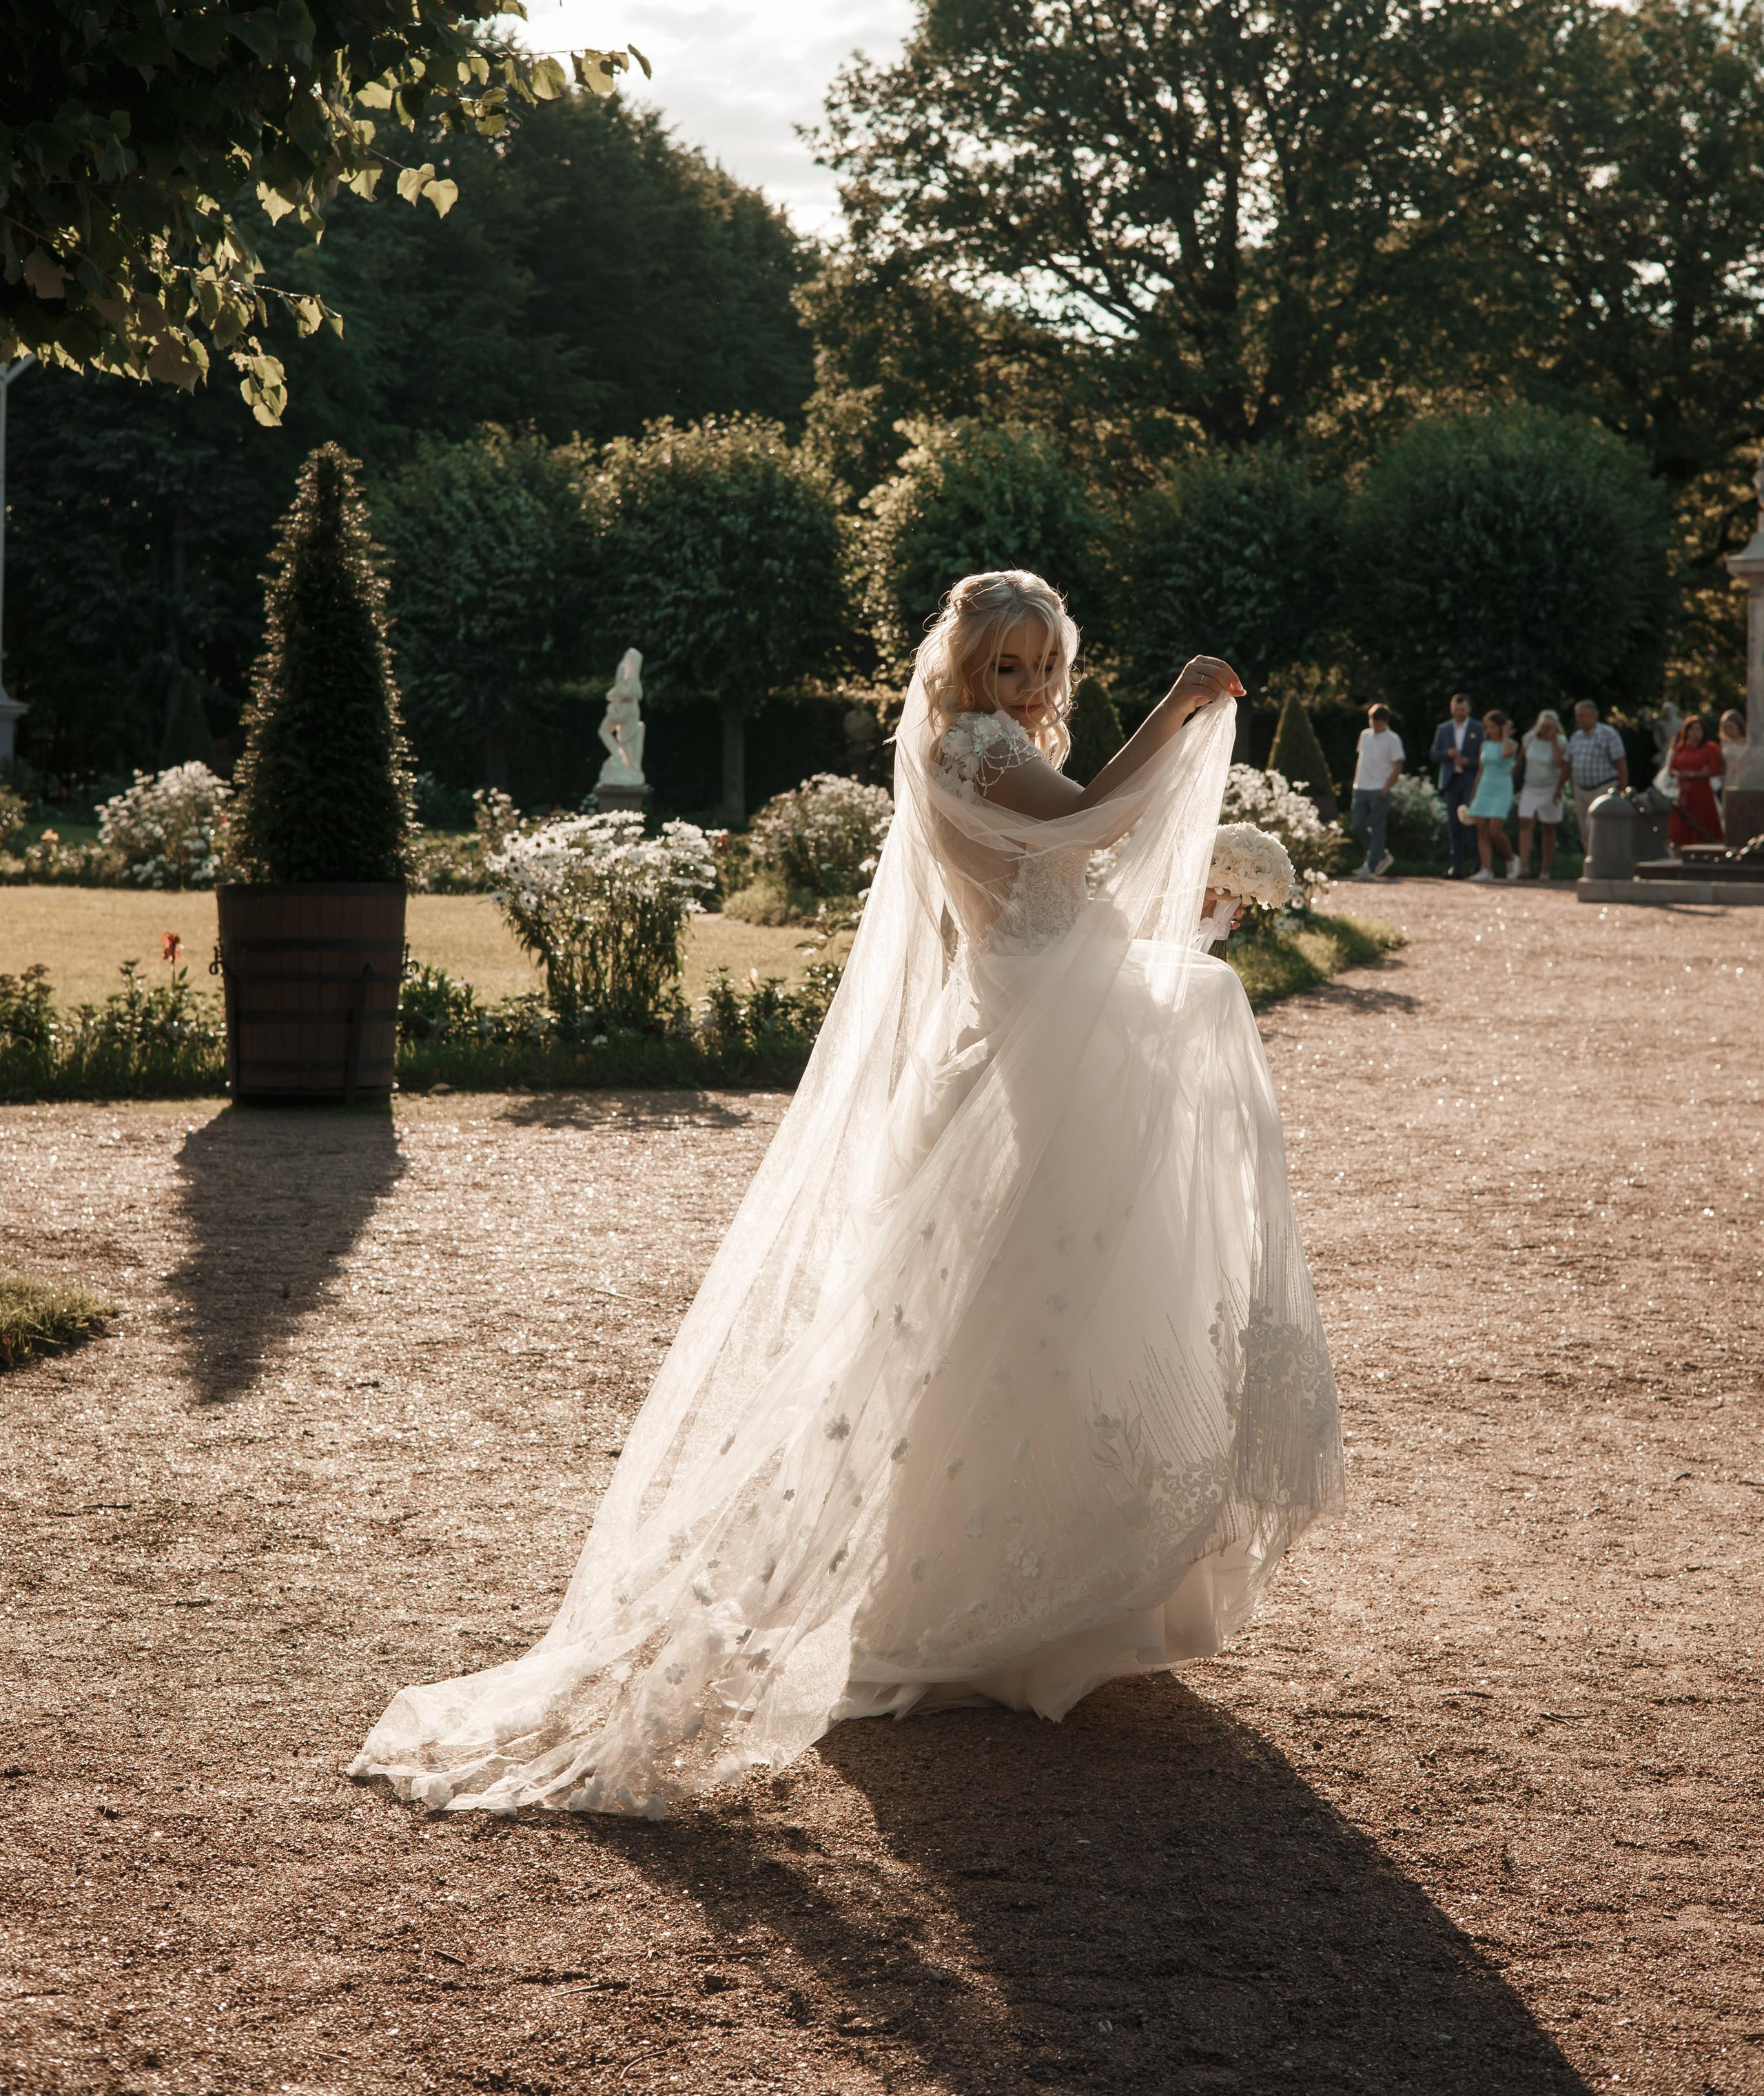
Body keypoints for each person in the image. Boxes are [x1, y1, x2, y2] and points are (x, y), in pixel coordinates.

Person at [350, 570, 1343, 1819]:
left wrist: (1177, 906)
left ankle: (1011, 1585)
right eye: (1009, 667)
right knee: (1038, 1292)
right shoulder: (980, 751)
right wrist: (1187, 705)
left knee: (1031, 1304)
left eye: (1043, 666)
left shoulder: (959, 750)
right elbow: (1092, 820)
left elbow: (1050, 894)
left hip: (1020, 1021)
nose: (1029, 688)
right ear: (967, 671)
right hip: (1030, 1033)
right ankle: (981, 1603)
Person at [1428, 693, 1484, 879]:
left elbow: (1485, 758)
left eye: (1462, 709)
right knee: (1454, 825)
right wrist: (1447, 753)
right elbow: (1434, 754)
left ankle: (1478, 864)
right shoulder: (1443, 729)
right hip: (1451, 781)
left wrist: (1469, 761)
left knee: (1472, 823)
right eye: (1456, 709)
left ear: (1469, 709)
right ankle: (1456, 866)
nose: (1459, 713)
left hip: (1470, 781)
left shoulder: (1479, 728)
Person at [1350, 703, 1404, 879]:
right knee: (1358, 825)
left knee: (1378, 828)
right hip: (1361, 788)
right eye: (1371, 719)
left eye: (1377, 720)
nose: (1374, 723)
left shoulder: (1393, 739)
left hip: (1380, 789)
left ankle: (1371, 867)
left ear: (1385, 721)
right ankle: (1382, 856)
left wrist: (1386, 789)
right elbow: (1362, 760)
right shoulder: (1364, 735)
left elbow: (1397, 766)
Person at [1515, 709, 1569, 882]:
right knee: (1525, 821)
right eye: (1544, 727)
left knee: (1548, 828)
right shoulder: (1529, 738)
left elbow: (1559, 764)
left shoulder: (1561, 742)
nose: (1546, 730)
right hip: (1530, 786)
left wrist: (1553, 741)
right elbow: (1520, 760)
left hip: (1551, 788)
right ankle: (1524, 867)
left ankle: (1545, 870)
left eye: (1550, 727)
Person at [1466, 708, 1519, 883]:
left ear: (1501, 727)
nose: (1490, 731)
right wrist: (1473, 795)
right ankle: (1486, 869)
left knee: (1495, 830)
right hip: (1485, 788)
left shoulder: (1512, 744)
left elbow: (1505, 753)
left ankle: (1511, 859)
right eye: (1488, 727)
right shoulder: (1485, 745)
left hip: (1502, 788)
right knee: (1481, 830)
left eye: (1494, 727)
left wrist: (1505, 733)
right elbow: (1481, 771)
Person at [1668, 715, 1725, 850]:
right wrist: (1682, 774)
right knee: (1681, 824)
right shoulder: (1681, 748)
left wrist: (1691, 774)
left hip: (1701, 792)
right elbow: (1672, 770)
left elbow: (1712, 770)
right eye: (1692, 729)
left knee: (1702, 822)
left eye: (1698, 729)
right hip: (1683, 793)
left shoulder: (1710, 748)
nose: (1695, 733)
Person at [1565, 701, 1627, 812]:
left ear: (1593, 715)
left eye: (1582, 716)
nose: (1579, 719)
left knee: (1601, 827)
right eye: (1577, 716)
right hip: (1581, 791)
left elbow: (1620, 763)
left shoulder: (1609, 734)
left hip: (1603, 789)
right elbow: (1568, 764)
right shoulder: (1576, 737)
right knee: (1585, 828)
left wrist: (1623, 789)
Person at [1721, 709, 1747, 794]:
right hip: (1729, 780)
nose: (1729, 731)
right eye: (1726, 728)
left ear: (1738, 725)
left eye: (1731, 727)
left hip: (1745, 779)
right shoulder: (1724, 744)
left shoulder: (1748, 742)